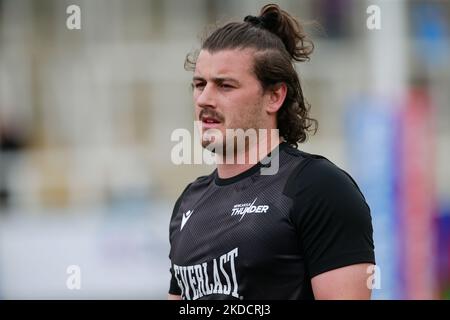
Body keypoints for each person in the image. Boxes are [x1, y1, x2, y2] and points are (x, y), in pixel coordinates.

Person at [168, 4, 375, 300]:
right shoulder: (189, 202)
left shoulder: (318, 187)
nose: (204, 98)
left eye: (225, 85)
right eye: (199, 84)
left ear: (274, 96)